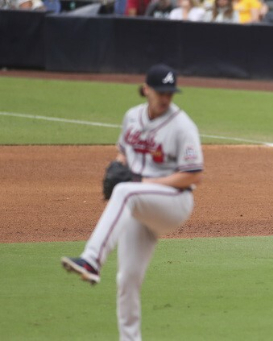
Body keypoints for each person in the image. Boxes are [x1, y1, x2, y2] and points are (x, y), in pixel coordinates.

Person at [61, 64, 204, 341]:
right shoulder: (131, 117)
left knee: (126, 191)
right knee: (127, 279)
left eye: (170, 93)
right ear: (146, 89)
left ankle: (91, 260)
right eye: (161, 91)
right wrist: (118, 167)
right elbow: (123, 155)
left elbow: (193, 175)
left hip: (173, 204)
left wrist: (141, 184)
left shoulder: (183, 126)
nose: (166, 98)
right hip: (140, 207)